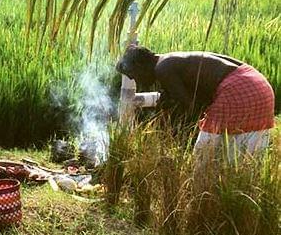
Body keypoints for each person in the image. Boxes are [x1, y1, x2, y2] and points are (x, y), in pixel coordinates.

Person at [116, 46, 276, 156]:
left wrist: (174, 134)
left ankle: (201, 193)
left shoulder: (162, 69)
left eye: (133, 75)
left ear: (140, 66)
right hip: (258, 85)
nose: (136, 81)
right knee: (244, 157)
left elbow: (191, 107)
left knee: (203, 157)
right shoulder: (169, 60)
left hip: (238, 90)